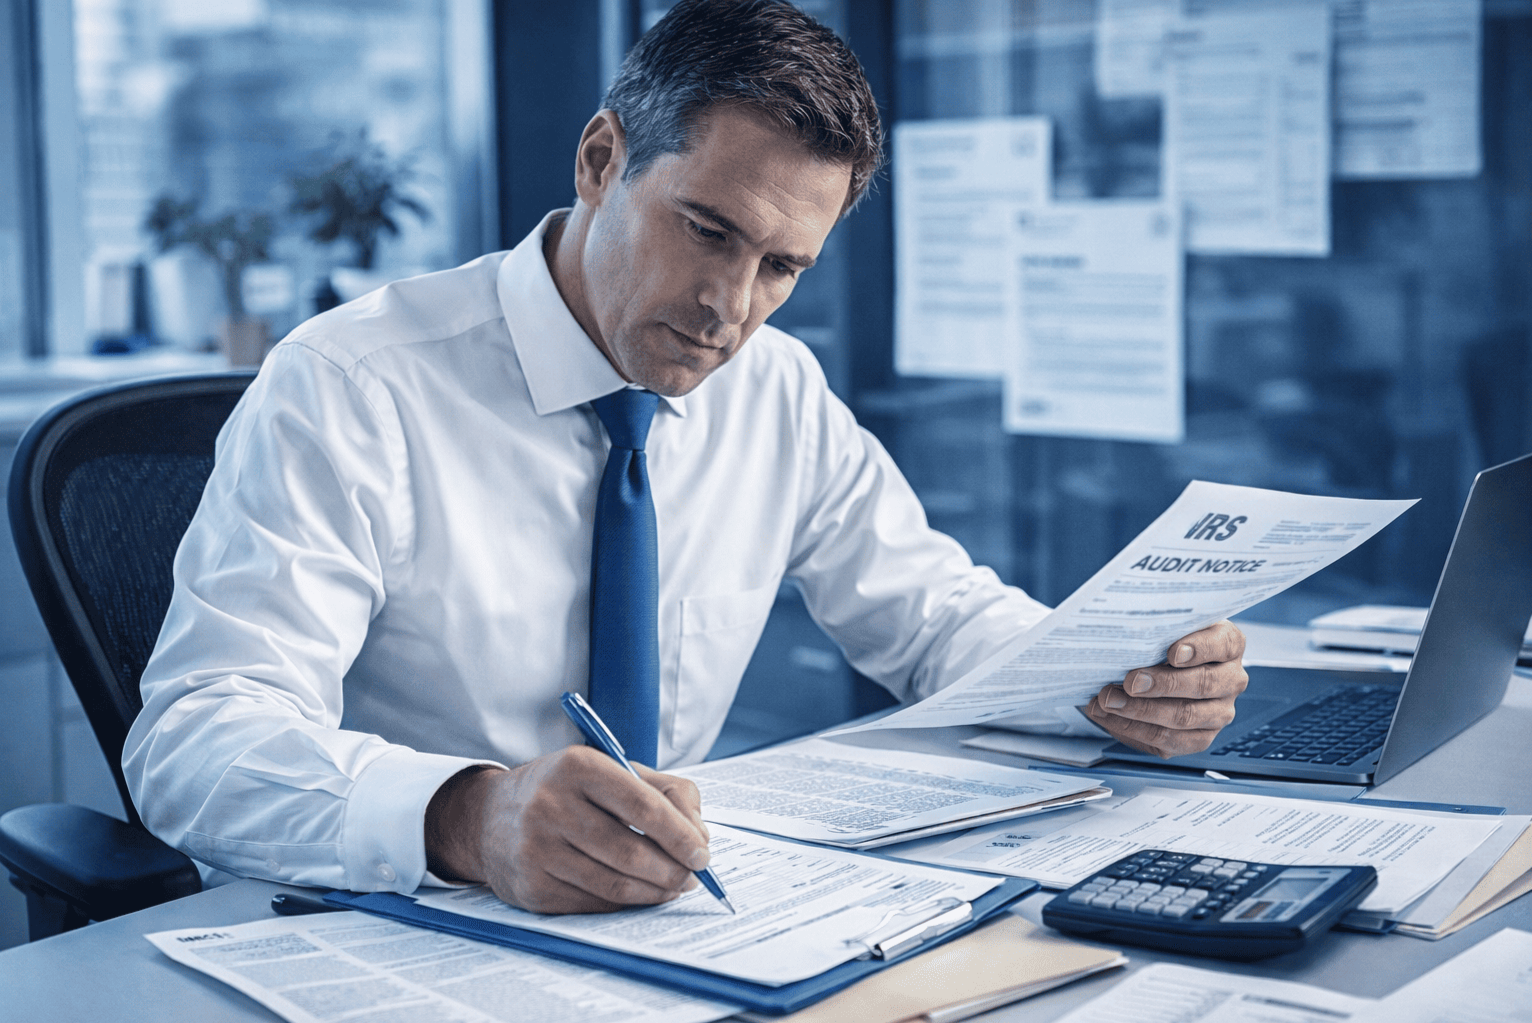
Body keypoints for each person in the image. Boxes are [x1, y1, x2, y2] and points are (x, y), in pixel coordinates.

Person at [124, 0, 1246, 915]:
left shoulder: (774, 391)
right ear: (601, 159)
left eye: (781, 268)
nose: (729, 308)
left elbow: (932, 614)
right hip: (390, 914)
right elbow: (194, 741)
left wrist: (1104, 679)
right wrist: (466, 817)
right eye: (707, 231)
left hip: (669, 921)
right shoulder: (353, 383)